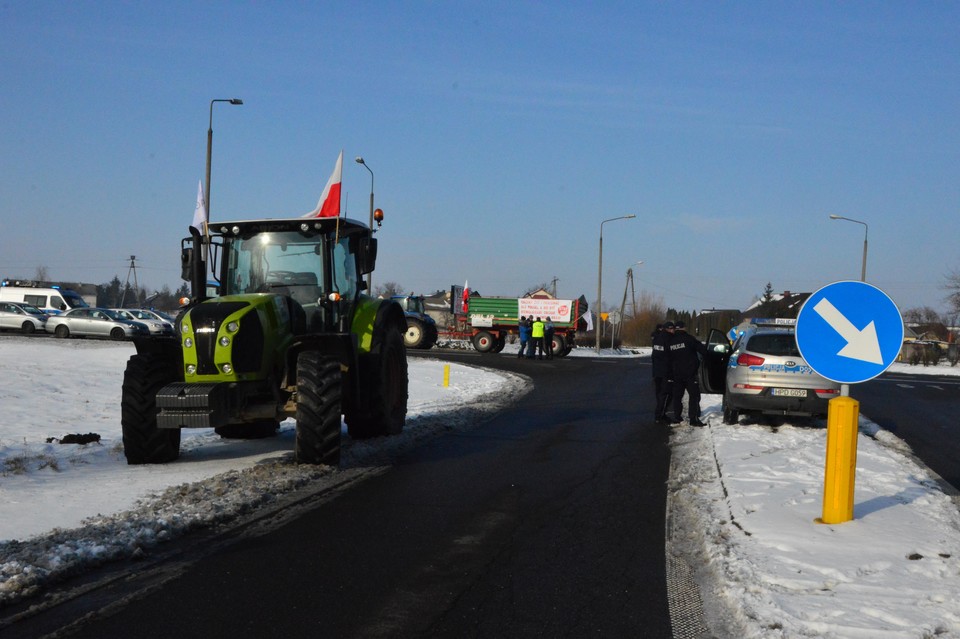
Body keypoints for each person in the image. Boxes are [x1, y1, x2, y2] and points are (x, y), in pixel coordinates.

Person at [667, 320, 708, 426]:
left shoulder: (671, 341)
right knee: (694, 396)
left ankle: (677, 417)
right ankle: (693, 419)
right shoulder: (689, 339)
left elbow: (667, 358)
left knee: (677, 396)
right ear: (684, 328)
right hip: (690, 373)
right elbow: (703, 350)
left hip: (676, 374)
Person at [651, 322, 673, 423]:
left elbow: (654, 356)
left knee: (659, 393)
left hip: (656, 371)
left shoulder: (657, 338)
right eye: (672, 329)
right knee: (666, 394)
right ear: (669, 329)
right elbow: (671, 356)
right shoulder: (669, 339)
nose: (673, 331)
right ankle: (660, 415)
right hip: (666, 372)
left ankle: (659, 415)